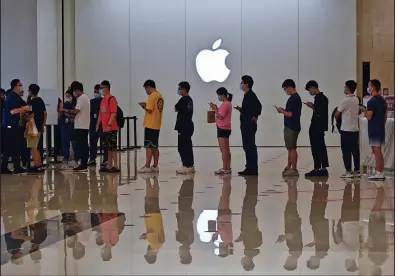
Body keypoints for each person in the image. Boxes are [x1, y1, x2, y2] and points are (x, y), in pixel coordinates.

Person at [235, 75, 262, 176]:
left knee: (249, 146)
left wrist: (255, 115)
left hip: (249, 125)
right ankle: (249, 167)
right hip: (246, 124)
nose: (241, 84)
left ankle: (252, 169)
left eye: (242, 83)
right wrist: (241, 109)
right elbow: (249, 109)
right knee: (247, 146)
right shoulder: (247, 95)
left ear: (246, 84)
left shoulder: (251, 95)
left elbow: (259, 106)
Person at [1, 79, 29, 175]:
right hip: (10, 125)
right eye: (20, 85)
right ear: (15, 86)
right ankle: (16, 167)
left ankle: (5, 167)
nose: (21, 86)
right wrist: (24, 109)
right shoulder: (12, 96)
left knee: (10, 146)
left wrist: (27, 108)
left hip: (12, 124)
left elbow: (25, 105)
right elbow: (12, 111)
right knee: (14, 145)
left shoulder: (16, 96)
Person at [62, 81, 90, 173]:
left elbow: (76, 111)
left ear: (77, 90)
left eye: (74, 91)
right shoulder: (86, 98)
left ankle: (83, 164)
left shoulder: (81, 98)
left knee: (81, 146)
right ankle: (83, 163)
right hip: (84, 124)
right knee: (83, 145)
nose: (73, 94)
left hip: (81, 126)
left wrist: (65, 110)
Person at [335, 80, 360, 178]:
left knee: (346, 151)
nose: (344, 89)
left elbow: (337, 114)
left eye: (345, 87)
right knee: (355, 150)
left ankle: (348, 171)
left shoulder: (344, 101)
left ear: (348, 88)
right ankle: (357, 170)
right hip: (355, 129)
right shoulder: (356, 99)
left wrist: (338, 120)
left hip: (346, 129)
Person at [277, 79, 302, 177]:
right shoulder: (294, 98)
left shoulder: (294, 98)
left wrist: (281, 111)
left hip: (292, 127)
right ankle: (289, 166)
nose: (285, 91)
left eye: (285, 89)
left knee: (292, 148)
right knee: (289, 148)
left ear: (290, 87)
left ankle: (294, 169)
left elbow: (291, 114)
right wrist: (283, 110)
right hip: (290, 126)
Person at [304, 80, 329, 177]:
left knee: (316, 147)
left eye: (309, 90)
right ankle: (323, 168)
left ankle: (317, 168)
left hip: (316, 127)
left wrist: (312, 106)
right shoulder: (323, 98)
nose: (309, 92)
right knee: (321, 147)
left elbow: (319, 112)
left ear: (313, 87)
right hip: (320, 127)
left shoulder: (320, 98)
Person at [138, 80, 164, 173]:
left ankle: (147, 166)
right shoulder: (159, 96)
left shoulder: (152, 96)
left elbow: (149, 109)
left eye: (146, 88)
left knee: (149, 146)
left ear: (149, 87)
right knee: (155, 146)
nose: (146, 91)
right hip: (156, 124)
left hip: (150, 124)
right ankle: (155, 165)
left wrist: (143, 106)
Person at [365, 79, 387, 181]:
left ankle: (379, 173)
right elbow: (385, 117)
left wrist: (364, 111)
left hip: (374, 129)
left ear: (373, 87)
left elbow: (369, 116)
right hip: (381, 128)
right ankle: (380, 171)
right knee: (377, 151)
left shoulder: (371, 101)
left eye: (369, 86)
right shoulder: (383, 100)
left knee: (377, 151)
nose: (368, 88)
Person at [96, 80, 120, 173]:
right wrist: (97, 124)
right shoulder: (102, 100)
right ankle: (109, 165)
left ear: (106, 88)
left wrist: (109, 123)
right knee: (108, 147)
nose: (100, 90)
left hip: (112, 127)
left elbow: (113, 113)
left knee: (113, 147)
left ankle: (115, 165)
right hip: (105, 128)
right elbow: (100, 114)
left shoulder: (112, 99)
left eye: (102, 88)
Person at [209, 87, 233, 175]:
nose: (218, 97)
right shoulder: (227, 104)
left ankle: (225, 168)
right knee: (226, 149)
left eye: (219, 95)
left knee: (224, 150)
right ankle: (227, 167)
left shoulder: (226, 104)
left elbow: (221, 116)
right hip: (225, 128)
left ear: (222, 95)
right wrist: (216, 108)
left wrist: (215, 109)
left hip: (223, 128)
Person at [174, 81, 195, 174]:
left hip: (183, 126)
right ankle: (190, 165)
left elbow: (176, 108)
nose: (179, 90)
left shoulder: (183, 100)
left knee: (182, 146)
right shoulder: (190, 100)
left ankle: (186, 165)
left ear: (183, 89)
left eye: (179, 88)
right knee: (188, 145)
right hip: (188, 125)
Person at [26, 84, 47, 173]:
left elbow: (28, 115)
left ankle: (38, 165)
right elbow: (45, 113)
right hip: (39, 127)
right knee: (37, 146)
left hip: (32, 127)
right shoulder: (41, 101)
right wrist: (43, 125)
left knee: (33, 147)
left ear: (30, 91)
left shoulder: (31, 103)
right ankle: (40, 164)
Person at [88, 84, 105, 166]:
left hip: (102, 125)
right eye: (95, 91)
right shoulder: (91, 102)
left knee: (104, 143)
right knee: (92, 142)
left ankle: (106, 160)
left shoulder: (104, 101)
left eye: (97, 91)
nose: (96, 93)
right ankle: (92, 159)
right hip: (92, 125)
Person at [60, 90, 76, 170]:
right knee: (65, 141)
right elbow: (61, 114)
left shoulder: (75, 104)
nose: (67, 98)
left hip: (73, 126)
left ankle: (73, 157)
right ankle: (66, 157)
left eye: (68, 96)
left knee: (73, 142)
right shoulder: (64, 104)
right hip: (65, 125)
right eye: (66, 96)